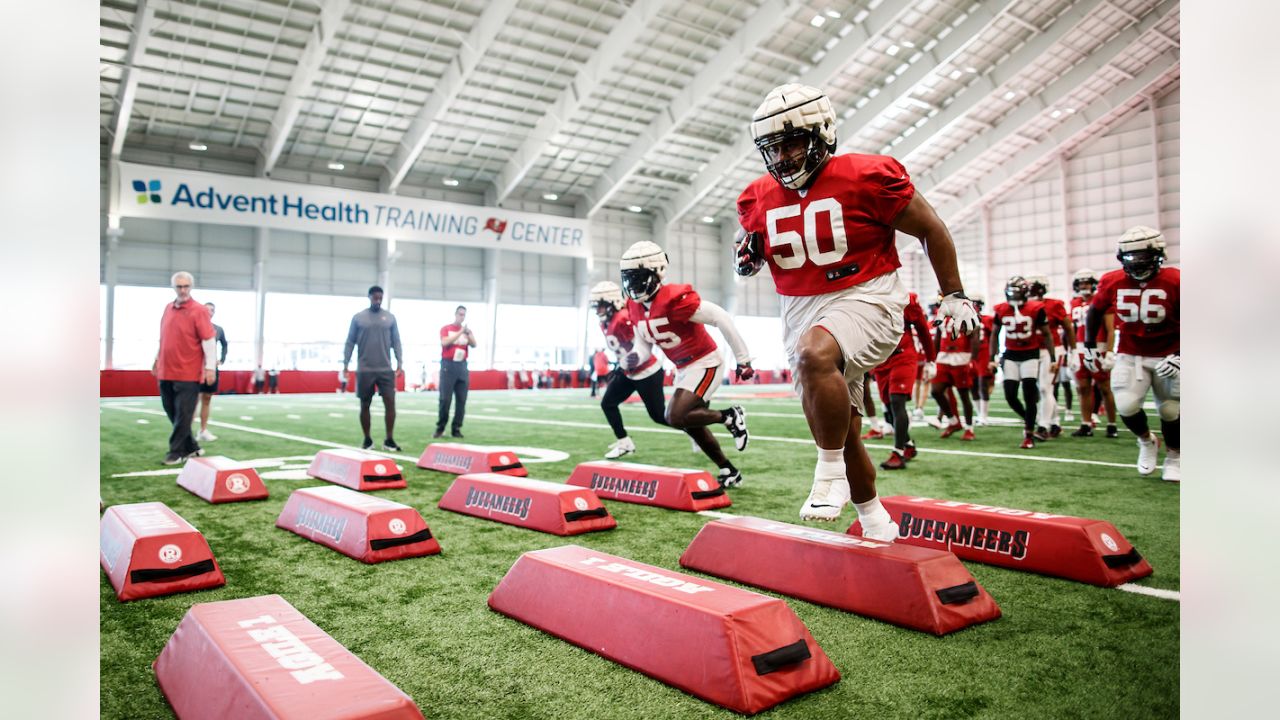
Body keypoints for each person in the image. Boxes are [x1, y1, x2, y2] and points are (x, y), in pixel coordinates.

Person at [736, 83, 978, 533]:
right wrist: (748, 255)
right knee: (843, 429)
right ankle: (875, 520)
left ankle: (827, 476)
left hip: (868, 296)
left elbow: (930, 228)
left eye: (791, 143)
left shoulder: (866, 175)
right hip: (799, 310)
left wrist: (953, 292)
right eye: (773, 148)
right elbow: (756, 243)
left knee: (815, 353)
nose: (783, 157)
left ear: (822, 133)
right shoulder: (757, 196)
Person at [619, 241, 753, 488]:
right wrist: (633, 357)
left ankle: (730, 417)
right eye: (628, 278)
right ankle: (728, 470)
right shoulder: (635, 307)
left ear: (657, 271)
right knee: (690, 423)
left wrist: (743, 358)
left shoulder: (675, 299)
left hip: (706, 361)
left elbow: (720, 316)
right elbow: (643, 345)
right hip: (683, 368)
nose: (632, 285)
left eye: (638, 278)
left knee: (675, 415)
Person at [1083, 226, 1179, 481]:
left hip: (1168, 355)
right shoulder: (1112, 280)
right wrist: (1090, 345)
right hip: (1130, 353)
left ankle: (1174, 456)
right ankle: (1147, 442)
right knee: (1126, 404)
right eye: (1131, 257)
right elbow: (1094, 312)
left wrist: (1182, 353)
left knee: (1170, 410)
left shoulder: (1176, 280)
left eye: (1142, 257)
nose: (1136, 263)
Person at [588, 281, 667, 459]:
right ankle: (624, 442)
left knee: (660, 416)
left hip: (647, 371)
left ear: (612, 302)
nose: (598, 310)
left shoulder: (624, 317)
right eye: (596, 306)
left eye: (600, 305)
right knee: (607, 403)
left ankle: (693, 429)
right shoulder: (606, 323)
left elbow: (642, 344)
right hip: (628, 372)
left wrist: (626, 363)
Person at [153, 271, 217, 465]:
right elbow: (164, 338)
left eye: (185, 286)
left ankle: (176, 452)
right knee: (170, 409)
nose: (182, 290)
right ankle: (191, 447)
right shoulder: (167, 309)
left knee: (183, 414)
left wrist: (210, 368)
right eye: (179, 286)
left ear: (191, 287)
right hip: (166, 370)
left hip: (188, 373)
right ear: (173, 287)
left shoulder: (199, 311)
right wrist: (157, 359)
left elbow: (208, 340)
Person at [990, 276, 1057, 449]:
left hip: (1030, 354)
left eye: (1017, 292)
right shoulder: (1001, 309)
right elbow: (994, 334)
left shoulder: (1036, 308)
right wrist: (992, 357)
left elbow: (1047, 334)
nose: (1014, 295)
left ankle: (1028, 434)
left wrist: (1053, 357)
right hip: (1011, 354)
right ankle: (1030, 418)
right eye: (1011, 292)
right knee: (1010, 395)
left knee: (1029, 393)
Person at [872, 292, 936, 470]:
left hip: (902, 356)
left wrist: (931, 359)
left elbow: (922, 329)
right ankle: (908, 444)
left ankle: (898, 453)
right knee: (889, 410)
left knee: (896, 401)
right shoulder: (863, 297)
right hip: (880, 359)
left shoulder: (904, 298)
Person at [342, 285, 404, 451]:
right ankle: (367, 439)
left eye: (380, 298)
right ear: (369, 297)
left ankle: (389, 439)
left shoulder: (390, 318)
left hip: (385, 368)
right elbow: (350, 342)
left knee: (390, 403)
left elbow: (396, 341)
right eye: (375, 297)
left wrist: (400, 362)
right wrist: (345, 364)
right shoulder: (358, 318)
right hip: (365, 368)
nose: (378, 300)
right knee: (365, 404)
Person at [1068, 269, 1119, 438]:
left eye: (1087, 282)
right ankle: (1086, 423)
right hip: (1081, 349)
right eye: (1081, 283)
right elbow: (1073, 330)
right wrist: (1072, 351)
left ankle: (1112, 424)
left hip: (1099, 347)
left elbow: (1111, 329)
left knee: (1104, 388)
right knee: (1083, 388)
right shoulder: (1074, 303)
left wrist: (1110, 352)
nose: (1084, 286)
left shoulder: (1101, 301)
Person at [1027, 273, 1076, 438]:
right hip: (1032, 350)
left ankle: (1043, 426)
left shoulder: (1054, 305)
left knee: (1045, 387)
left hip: (1052, 350)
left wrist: (1073, 351)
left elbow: (1068, 328)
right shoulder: (1023, 306)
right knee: (1042, 388)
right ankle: (1055, 423)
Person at [931, 311, 980, 441]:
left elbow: (975, 336)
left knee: (964, 395)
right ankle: (953, 422)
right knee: (936, 391)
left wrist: (972, 359)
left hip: (961, 357)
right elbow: (938, 337)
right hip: (943, 357)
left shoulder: (967, 313)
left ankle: (969, 428)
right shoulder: (941, 314)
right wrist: (933, 358)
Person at [435, 305, 475, 438]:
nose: (461, 317)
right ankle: (441, 426)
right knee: (445, 399)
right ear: (455, 314)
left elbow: (474, 344)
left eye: (464, 315)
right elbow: (445, 342)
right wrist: (460, 332)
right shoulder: (446, 328)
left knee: (461, 400)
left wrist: (468, 334)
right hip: (448, 365)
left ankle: (456, 427)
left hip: (462, 365)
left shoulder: (467, 331)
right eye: (460, 314)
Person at [195, 302, 228, 442]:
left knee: (207, 399)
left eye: (212, 310)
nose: (209, 312)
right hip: (196, 369)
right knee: (192, 400)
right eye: (206, 309)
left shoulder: (218, 329)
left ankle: (203, 430)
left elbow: (225, 344)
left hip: (212, 369)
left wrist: (222, 359)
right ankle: (186, 434)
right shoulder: (194, 326)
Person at [968, 293, 996, 426]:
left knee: (982, 384)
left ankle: (984, 415)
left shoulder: (987, 320)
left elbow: (993, 339)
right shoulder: (963, 319)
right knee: (972, 385)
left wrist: (993, 357)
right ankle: (979, 414)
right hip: (969, 354)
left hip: (983, 353)